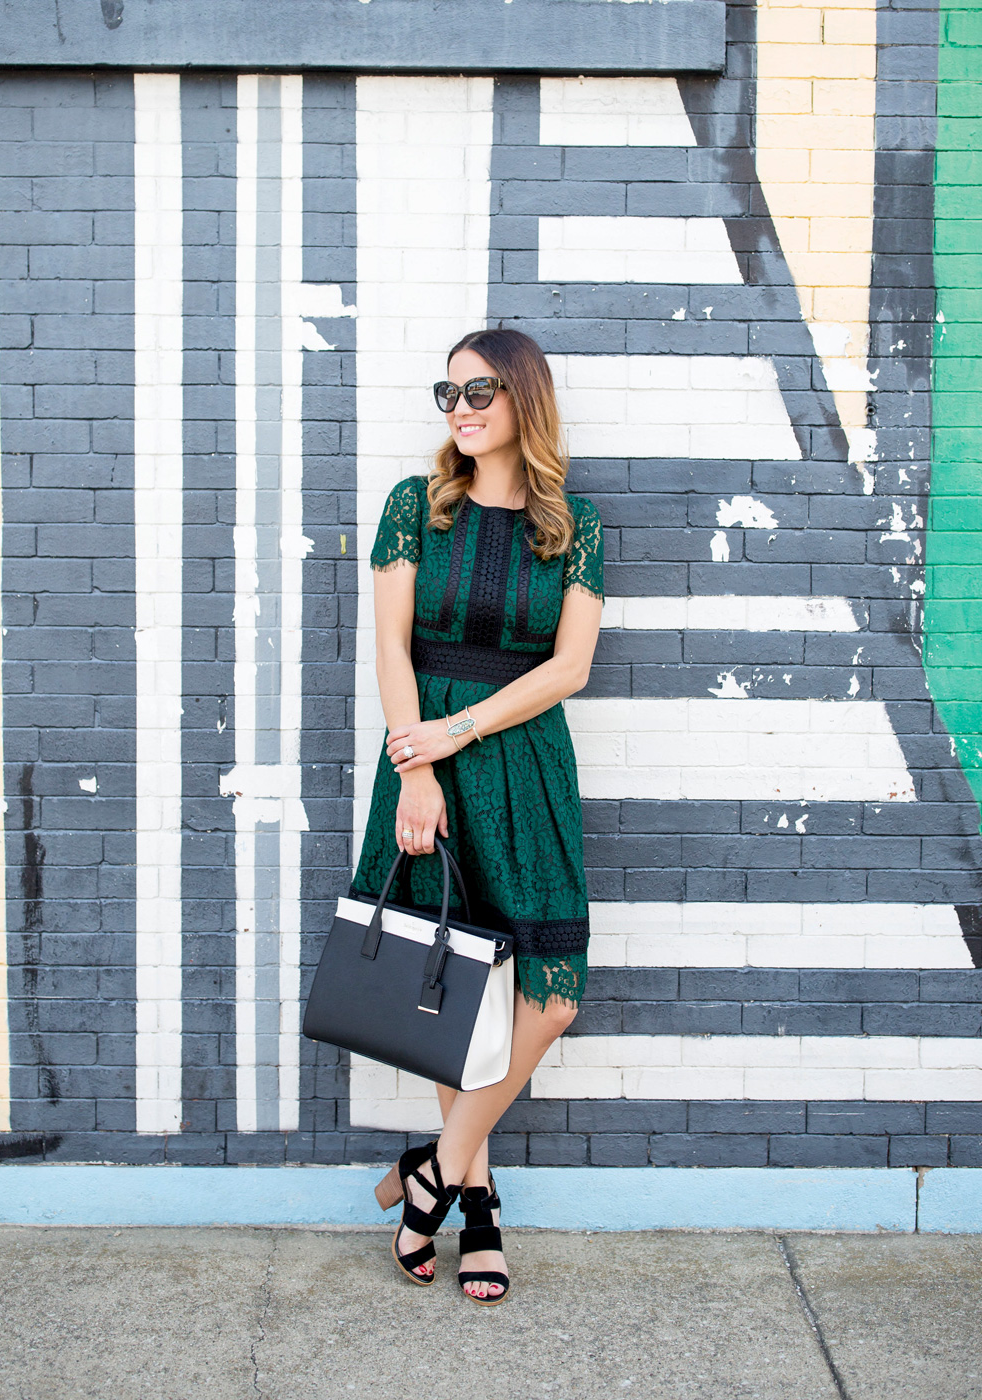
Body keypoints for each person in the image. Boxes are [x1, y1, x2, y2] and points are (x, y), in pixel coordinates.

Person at [350, 327, 604, 1304]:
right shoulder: (415, 508)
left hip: (526, 761)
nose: (460, 406)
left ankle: (433, 1168)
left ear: (522, 397)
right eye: (448, 391)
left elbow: (569, 667)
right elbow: (388, 650)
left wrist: (464, 728)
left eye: (480, 388)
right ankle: (479, 1206)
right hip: (426, 768)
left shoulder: (571, 523)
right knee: (456, 996)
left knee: (549, 995)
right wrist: (421, 765)